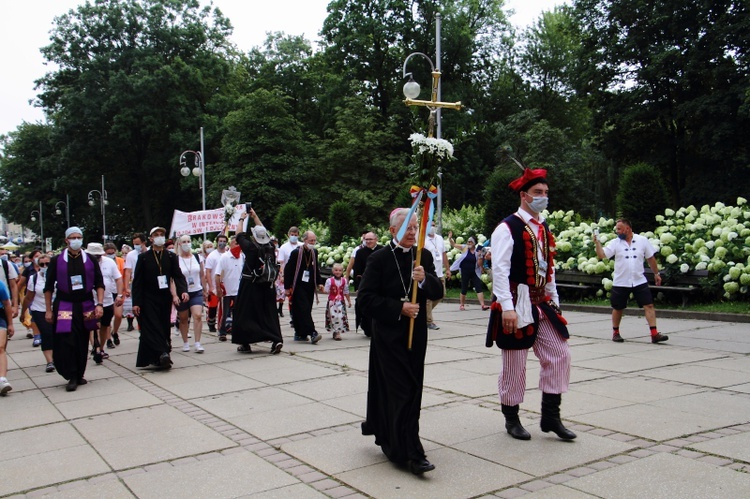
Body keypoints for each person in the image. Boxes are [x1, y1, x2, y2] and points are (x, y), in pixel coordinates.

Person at [488, 168, 576, 441]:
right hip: (516, 301)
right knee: (515, 362)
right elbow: (499, 271)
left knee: (560, 354)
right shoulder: (507, 227)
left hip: (541, 301)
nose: (543, 197)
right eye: (538, 193)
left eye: (546, 193)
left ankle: (551, 417)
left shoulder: (543, 227)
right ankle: (511, 418)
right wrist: (507, 307)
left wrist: (555, 300)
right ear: (524, 196)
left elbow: (547, 268)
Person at [358, 208, 443, 475]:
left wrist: (425, 279)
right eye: (407, 228)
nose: (412, 233)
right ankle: (410, 453)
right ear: (392, 230)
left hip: (416, 336)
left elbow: (438, 290)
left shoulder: (423, 256)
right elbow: (365, 300)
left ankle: (395, 437)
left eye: (415, 227)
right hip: (389, 337)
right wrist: (398, 308)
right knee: (401, 391)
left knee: (413, 389)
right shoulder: (379, 259)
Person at [44, 227, 105, 392]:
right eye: (73, 237)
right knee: (67, 340)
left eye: (79, 237)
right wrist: (48, 310)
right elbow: (48, 287)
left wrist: (99, 304)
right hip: (64, 304)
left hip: (85, 305)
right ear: (66, 240)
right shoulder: (57, 261)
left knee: (82, 339)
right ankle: (70, 374)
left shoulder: (90, 260)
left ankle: (79, 373)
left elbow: (99, 283)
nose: (76, 240)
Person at [594, 218, 668, 344]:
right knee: (618, 307)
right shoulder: (615, 243)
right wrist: (597, 243)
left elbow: (650, 258)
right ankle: (616, 333)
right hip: (621, 281)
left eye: (619, 229)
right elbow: (602, 255)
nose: (617, 231)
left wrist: (656, 273)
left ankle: (654, 334)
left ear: (627, 228)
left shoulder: (642, 240)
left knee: (649, 305)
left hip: (639, 280)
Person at [131, 227, 188, 369]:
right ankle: (162, 353)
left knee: (163, 325)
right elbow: (137, 282)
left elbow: (178, 276)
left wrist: (183, 291)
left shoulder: (170, 256)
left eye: (162, 235)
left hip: (164, 297)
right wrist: (136, 302)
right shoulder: (143, 258)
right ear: (151, 239)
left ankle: (161, 356)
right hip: (147, 298)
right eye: (156, 235)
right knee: (152, 326)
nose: (159, 237)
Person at [231, 209, 283, 354]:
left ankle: (245, 342)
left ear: (254, 236)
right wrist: (255, 216)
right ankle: (276, 339)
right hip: (267, 284)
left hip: (250, 284)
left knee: (245, 313)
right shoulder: (271, 247)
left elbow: (239, 235)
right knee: (269, 313)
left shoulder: (250, 248)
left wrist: (242, 219)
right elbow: (263, 232)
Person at [284, 231, 325, 343]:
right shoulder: (296, 253)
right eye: (311, 240)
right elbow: (288, 270)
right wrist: (287, 287)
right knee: (304, 309)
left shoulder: (313, 252)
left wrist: (319, 282)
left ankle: (300, 333)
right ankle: (312, 332)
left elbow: (315, 268)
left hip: (309, 285)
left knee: (302, 310)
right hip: (298, 285)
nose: (312, 243)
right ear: (305, 240)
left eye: (314, 241)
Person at [85, 242, 123, 363]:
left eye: (98, 256)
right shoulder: (84, 263)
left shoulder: (109, 262)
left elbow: (118, 279)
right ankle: (95, 347)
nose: (96, 258)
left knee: (105, 325)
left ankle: (100, 347)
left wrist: (119, 294)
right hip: (89, 301)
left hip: (106, 300)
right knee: (92, 325)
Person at [21, 253, 55, 373]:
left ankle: (59, 357)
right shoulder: (34, 278)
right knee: (46, 334)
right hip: (39, 310)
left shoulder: (59, 276)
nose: (45, 266)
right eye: (42, 264)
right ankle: (50, 361)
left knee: (59, 334)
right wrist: (23, 312)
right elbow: (28, 297)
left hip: (58, 310)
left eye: (47, 263)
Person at [176, 235, 207, 353]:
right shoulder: (176, 259)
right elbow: (173, 279)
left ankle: (198, 343)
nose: (186, 243)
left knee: (197, 315)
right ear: (179, 244)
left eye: (188, 241)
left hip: (196, 291)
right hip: (183, 292)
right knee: (183, 318)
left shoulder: (197, 257)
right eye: (184, 242)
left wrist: (205, 289)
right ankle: (185, 342)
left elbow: (202, 275)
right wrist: (175, 294)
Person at [351, 232, 382, 336]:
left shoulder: (382, 250)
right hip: (365, 284)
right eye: (366, 239)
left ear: (376, 239)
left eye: (370, 239)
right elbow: (357, 270)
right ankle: (367, 328)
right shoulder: (360, 252)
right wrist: (357, 287)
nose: (368, 241)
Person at [449, 232, 488, 310]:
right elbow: (454, 245)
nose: (468, 243)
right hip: (465, 271)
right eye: (468, 241)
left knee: (478, 287)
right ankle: (462, 305)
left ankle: (483, 305)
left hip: (474, 271)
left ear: (474, 243)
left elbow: (479, 263)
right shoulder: (464, 247)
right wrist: (450, 238)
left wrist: (480, 255)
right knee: (464, 288)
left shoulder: (479, 250)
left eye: (470, 242)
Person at [215, 236, 244, 340]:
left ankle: (236, 330)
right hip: (226, 290)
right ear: (231, 245)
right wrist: (218, 289)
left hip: (238, 290)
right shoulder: (225, 257)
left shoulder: (242, 257)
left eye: (238, 243)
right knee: (224, 312)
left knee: (238, 312)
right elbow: (217, 274)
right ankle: (222, 331)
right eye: (235, 243)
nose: (237, 246)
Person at [424, 223, 451, 329]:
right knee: (428, 298)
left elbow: (443, 254)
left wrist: (448, 269)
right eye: (430, 224)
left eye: (434, 224)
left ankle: (425, 313)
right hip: (429, 273)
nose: (432, 227)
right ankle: (428, 321)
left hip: (439, 273)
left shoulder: (439, 238)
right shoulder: (423, 239)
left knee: (441, 294)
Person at [123, 233, 148, 332]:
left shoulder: (150, 252)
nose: (136, 246)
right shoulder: (131, 255)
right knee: (137, 307)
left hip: (149, 283)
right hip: (137, 284)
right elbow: (128, 271)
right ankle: (141, 327)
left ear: (143, 242)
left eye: (138, 243)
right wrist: (127, 287)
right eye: (134, 244)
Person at [104, 242, 125, 348]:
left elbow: (123, 275)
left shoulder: (120, 261)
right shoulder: (102, 262)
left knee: (118, 315)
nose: (111, 254)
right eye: (108, 253)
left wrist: (124, 290)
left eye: (112, 253)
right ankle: (108, 339)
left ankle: (114, 332)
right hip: (107, 292)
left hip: (117, 291)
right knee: (107, 318)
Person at [203, 236, 226, 333]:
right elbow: (208, 271)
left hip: (226, 284)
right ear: (217, 242)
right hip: (214, 284)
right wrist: (211, 286)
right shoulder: (212, 256)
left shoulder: (227, 254)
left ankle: (224, 323)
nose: (222, 243)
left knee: (225, 306)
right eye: (220, 241)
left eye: (224, 241)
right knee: (213, 305)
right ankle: (211, 323)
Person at [324, 263, 351, 340]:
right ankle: (335, 331)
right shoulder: (329, 281)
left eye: (340, 270)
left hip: (341, 302)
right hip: (332, 302)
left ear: (342, 272)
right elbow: (326, 290)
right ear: (332, 271)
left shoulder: (344, 281)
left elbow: (346, 292)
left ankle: (338, 332)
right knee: (334, 316)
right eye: (336, 270)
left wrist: (349, 301)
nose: (338, 272)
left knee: (340, 316)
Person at [0, 279, 14, 395]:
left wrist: (10, 324)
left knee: (0, 347)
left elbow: (6, 304)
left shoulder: (0, 285)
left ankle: (2, 379)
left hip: (0, 318)